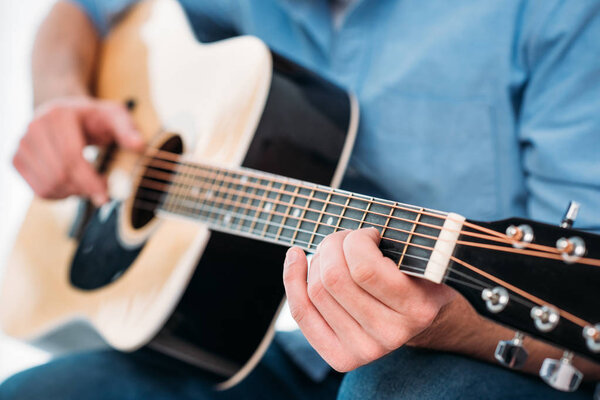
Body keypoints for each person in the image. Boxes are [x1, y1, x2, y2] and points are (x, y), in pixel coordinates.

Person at [1, 0, 599, 399]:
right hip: (270, 350)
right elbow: (78, 12)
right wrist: (58, 99)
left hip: (476, 347)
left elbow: (584, 317)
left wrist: (445, 323)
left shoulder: (557, 13)